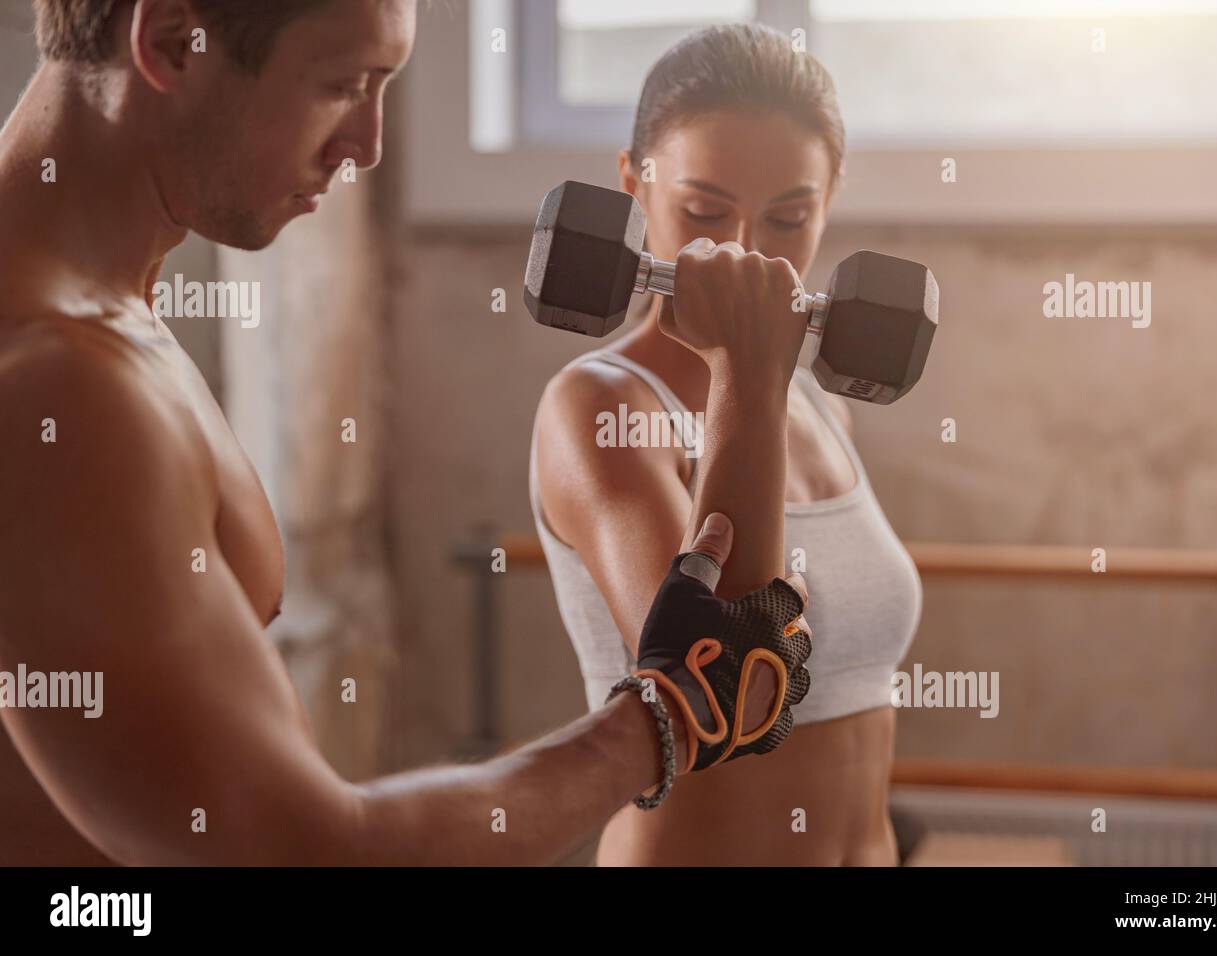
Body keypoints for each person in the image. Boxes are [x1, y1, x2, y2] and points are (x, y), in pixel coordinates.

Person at [0, 0, 810, 865]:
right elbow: (304, 854)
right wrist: (665, 715)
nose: (366, 146)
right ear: (169, 42)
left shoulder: (115, 309)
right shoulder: (57, 382)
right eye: (344, 85)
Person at [531, 24, 923, 865]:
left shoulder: (816, 407)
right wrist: (746, 364)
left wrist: (763, 375)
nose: (745, 253)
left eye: (789, 216)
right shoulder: (597, 407)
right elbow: (725, 684)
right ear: (634, 183)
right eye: (704, 211)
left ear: (832, 196)